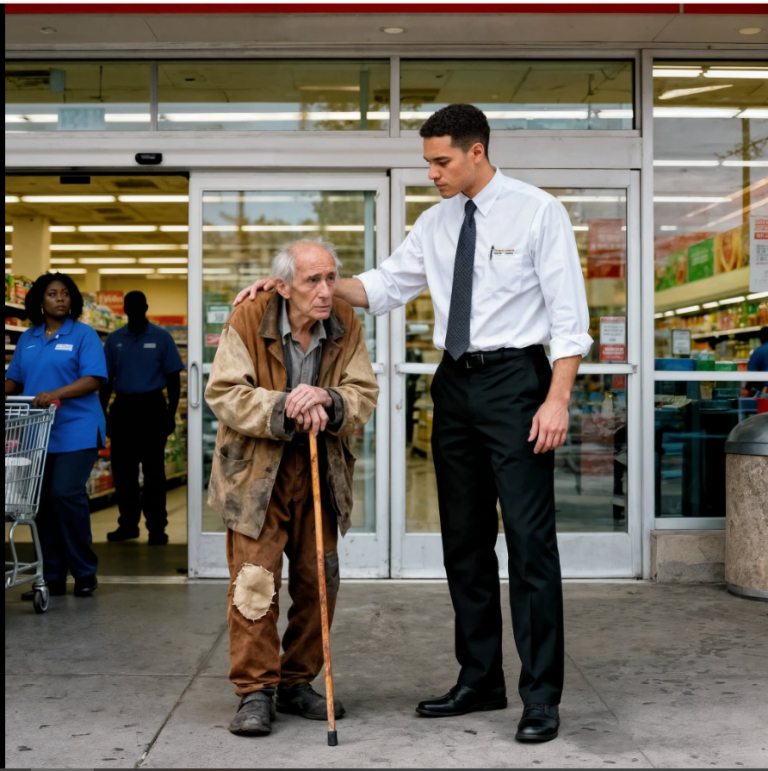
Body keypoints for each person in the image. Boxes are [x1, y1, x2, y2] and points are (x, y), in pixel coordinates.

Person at [235, 104, 593, 743]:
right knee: (464, 542)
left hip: (518, 382)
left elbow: (569, 318)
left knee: (531, 545)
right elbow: (385, 286)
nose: (432, 173)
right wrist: (298, 285)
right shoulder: (435, 222)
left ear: (476, 152)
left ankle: (541, 695)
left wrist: (556, 399)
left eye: (440, 161)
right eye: (428, 162)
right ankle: (480, 679)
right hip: (454, 383)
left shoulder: (539, 212)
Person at [206, 238, 379, 737]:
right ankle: (255, 690)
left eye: (331, 278)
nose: (326, 291)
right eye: (313, 280)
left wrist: (328, 397)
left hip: (320, 468)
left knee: (318, 580)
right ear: (283, 286)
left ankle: (297, 681)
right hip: (256, 473)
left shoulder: (344, 320)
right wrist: (286, 405)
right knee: (255, 583)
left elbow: (363, 392)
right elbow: (225, 392)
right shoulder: (248, 317)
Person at [5, 272, 107, 599]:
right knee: (42, 504)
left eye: (65, 293)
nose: (60, 298)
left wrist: (55, 393)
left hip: (77, 428)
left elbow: (93, 379)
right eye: (52, 293)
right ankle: (50, 577)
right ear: (39, 301)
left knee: (65, 493)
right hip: (38, 431)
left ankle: (84, 571)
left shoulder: (84, 335)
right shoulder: (28, 338)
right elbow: (15, 381)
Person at [100, 291, 185, 546]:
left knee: (154, 473)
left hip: (152, 408)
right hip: (123, 408)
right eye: (130, 306)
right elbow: (106, 381)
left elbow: (173, 378)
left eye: (139, 306)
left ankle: (157, 528)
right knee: (123, 472)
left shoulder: (161, 337)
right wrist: (103, 414)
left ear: (146, 308)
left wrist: (170, 413)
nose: (134, 310)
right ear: (124, 309)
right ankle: (128, 525)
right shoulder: (114, 340)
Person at [746, 326, 768, 394]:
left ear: (760, 339)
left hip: (764, 390)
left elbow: (751, 373)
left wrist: (747, 388)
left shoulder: (758, 351)